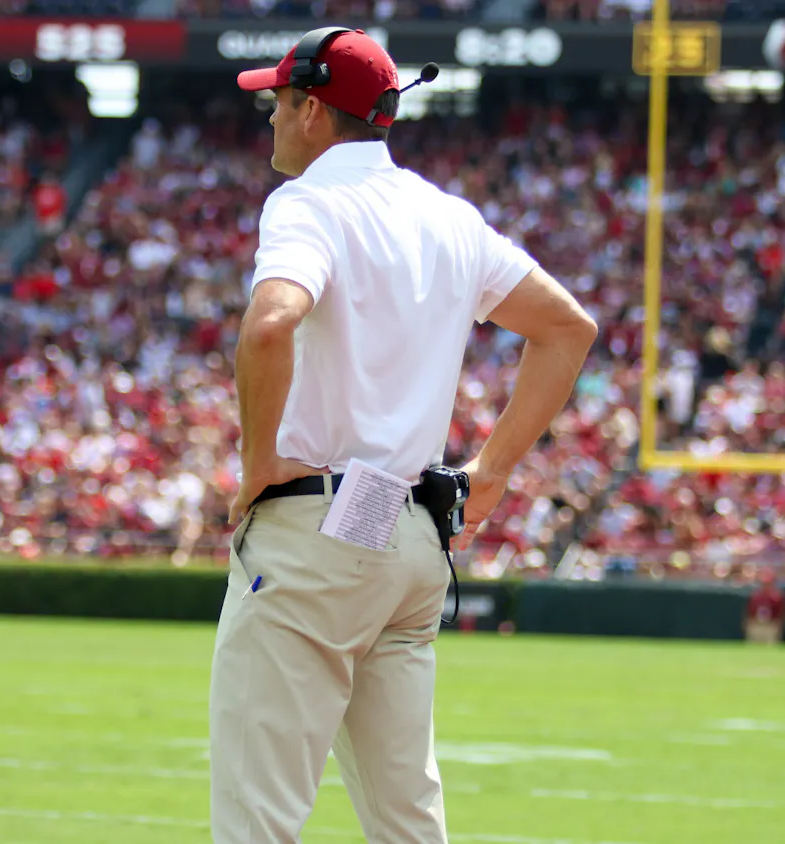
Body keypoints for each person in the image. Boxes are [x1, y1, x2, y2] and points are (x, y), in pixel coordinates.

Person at [210, 27, 598, 844]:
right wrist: (491, 472)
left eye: (279, 101)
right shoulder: (447, 215)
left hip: (317, 529)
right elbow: (568, 328)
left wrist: (256, 465)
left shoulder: (307, 202)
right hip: (412, 534)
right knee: (408, 824)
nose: (270, 117)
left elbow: (271, 325)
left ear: (313, 110)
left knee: (258, 820)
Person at [744, 569, 785, 645]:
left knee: (770, 646)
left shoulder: (776, 596)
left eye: (768, 583)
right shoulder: (756, 595)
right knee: (753, 646)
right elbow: (749, 611)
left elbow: (781, 613)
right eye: (764, 583)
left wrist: (778, 626)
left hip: (770, 625)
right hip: (757, 624)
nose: (766, 585)